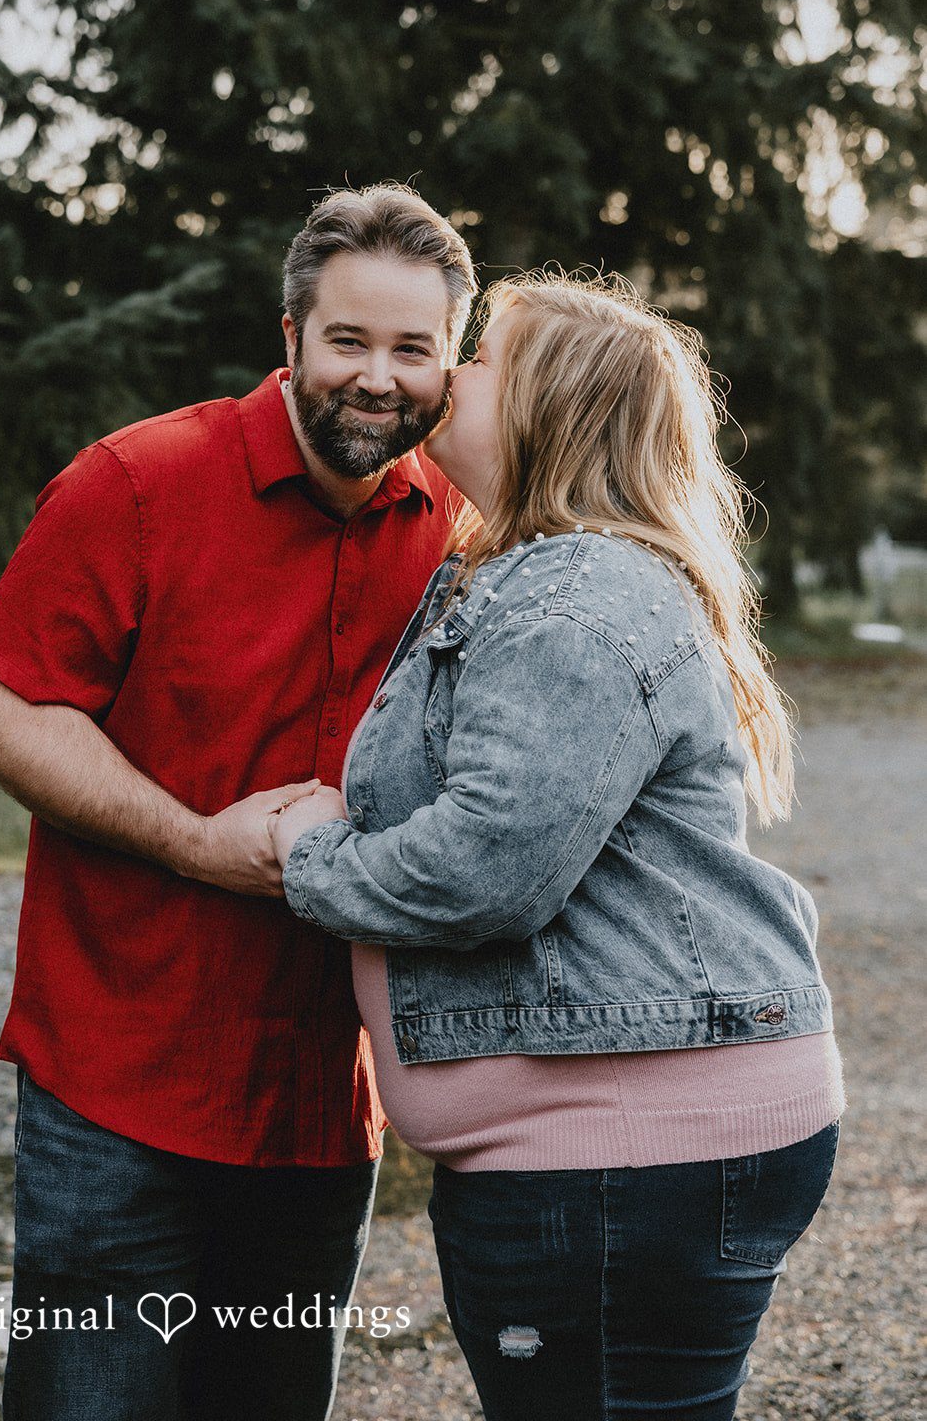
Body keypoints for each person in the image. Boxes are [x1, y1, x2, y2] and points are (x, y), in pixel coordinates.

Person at [255, 271, 846, 1421]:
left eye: (480, 360)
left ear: (546, 411)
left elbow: (484, 872)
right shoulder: (525, 571)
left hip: (622, 1156)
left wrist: (306, 850)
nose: (450, 376)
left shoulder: (575, 599)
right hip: (610, 1147)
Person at [0, 184, 476, 1421]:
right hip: (116, 1076)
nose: (378, 378)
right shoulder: (136, 483)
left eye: (414, 350)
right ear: (288, 335)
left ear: (452, 363)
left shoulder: (462, 529)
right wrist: (195, 843)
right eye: (348, 340)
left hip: (317, 1096)